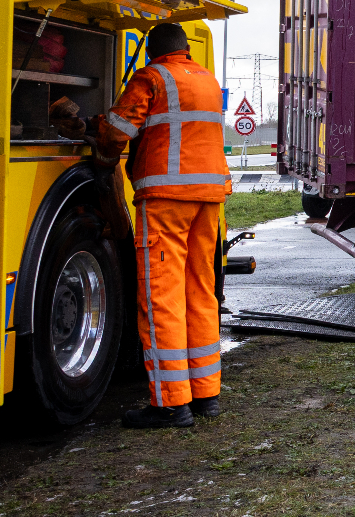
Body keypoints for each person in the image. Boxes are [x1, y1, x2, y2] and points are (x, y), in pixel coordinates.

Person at [96, 22, 231, 428]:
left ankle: (171, 404)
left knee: (162, 297)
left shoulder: (151, 77)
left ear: (151, 51)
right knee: (200, 293)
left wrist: (99, 135)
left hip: (166, 199)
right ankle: (206, 395)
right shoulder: (207, 80)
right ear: (186, 48)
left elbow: (118, 130)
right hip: (209, 200)